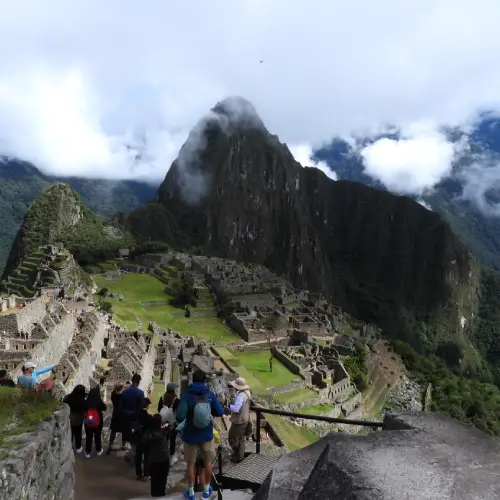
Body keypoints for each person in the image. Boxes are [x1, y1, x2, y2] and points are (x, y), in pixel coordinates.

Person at [176, 370, 224, 500]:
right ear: (204, 380)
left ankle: (191, 492)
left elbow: (180, 416)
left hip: (190, 435)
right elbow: (220, 411)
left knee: (190, 464)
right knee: (208, 463)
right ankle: (206, 491)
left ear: (193, 380)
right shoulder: (210, 395)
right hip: (206, 434)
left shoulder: (187, 395)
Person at [143, 413, 170, 497]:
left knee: (154, 479)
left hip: (154, 459)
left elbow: (144, 442)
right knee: (163, 479)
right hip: (164, 459)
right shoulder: (163, 432)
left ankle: (154, 494)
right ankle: (161, 494)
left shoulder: (148, 433)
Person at [227, 377, 252, 463]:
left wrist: (228, 406)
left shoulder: (240, 396)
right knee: (241, 438)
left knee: (232, 438)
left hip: (239, 420)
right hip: (246, 419)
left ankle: (238, 455)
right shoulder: (247, 393)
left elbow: (236, 408)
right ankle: (240, 456)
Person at [158, 382, 180, 459]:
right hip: (173, 422)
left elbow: (159, 409)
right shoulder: (176, 399)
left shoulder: (162, 398)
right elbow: (178, 412)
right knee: (172, 439)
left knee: (164, 438)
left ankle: (163, 454)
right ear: (173, 389)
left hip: (163, 421)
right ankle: (171, 456)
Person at [84, 385, 107, 458]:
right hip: (98, 421)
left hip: (88, 421)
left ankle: (87, 452)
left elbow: (84, 410)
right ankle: (98, 450)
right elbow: (104, 408)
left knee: (89, 436)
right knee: (97, 436)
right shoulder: (98, 401)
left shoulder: (87, 402)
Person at [121, 373, 144, 442]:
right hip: (135, 417)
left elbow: (121, 405)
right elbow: (140, 407)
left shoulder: (124, 392)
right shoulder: (140, 393)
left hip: (125, 416)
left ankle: (124, 443)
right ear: (138, 382)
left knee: (125, 433)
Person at [63, 384, 87, 453]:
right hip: (79, 418)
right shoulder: (83, 399)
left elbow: (63, 405)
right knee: (78, 433)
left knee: (70, 433)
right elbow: (85, 408)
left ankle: (70, 447)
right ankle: (78, 447)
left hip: (70, 417)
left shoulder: (68, 397)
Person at [135, 397, 154, 481]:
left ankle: (138, 474)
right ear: (147, 406)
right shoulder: (149, 417)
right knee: (147, 456)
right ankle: (146, 473)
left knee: (138, 456)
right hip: (147, 438)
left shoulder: (136, 416)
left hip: (138, 437)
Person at [107, 382, 129, 454]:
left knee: (113, 431)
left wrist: (122, 385)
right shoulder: (124, 396)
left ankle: (110, 445)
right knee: (124, 431)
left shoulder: (113, 395)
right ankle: (124, 445)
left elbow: (115, 390)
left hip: (116, 414)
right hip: (122, 415)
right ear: (121, 388)